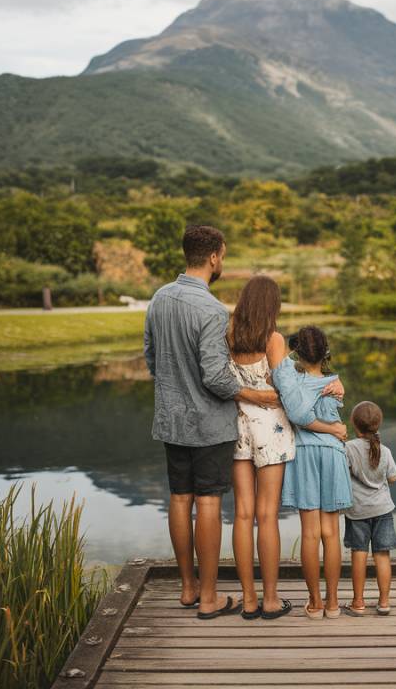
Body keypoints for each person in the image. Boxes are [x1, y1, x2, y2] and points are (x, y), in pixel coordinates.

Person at [143, 225, 280, 620]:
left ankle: (187, 589)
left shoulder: (158, 299)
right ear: (215, 257)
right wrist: (260, 396)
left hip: (171, 420)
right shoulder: (210, 309)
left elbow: (152, 358)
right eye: (224, 254)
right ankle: (208, 598)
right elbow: (218, 378)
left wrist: (172, 388)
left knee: (179, 498)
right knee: (207, 501)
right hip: (207, 424)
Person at [228, 277, 344, 620]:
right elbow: (288, 394)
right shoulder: (273, 339)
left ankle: (248, 599)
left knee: (242, 514)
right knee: (266, 515)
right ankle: (271, 600)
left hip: (237, 427)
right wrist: (325, 385)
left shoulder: (229, 336)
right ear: (272, 306)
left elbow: (227, 381)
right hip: (272, 430)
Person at [268, 326, 352, 619]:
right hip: (332, 453)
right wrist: (334, 427)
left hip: (303, 454)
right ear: (326, 352)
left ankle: (315, 603)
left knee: (310, 534)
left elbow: (281, 365)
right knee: (331, 533)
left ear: (297, 352)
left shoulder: (290, 377)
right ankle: (332, 604)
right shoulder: (333, 383)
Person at [341, 400, 396, 616]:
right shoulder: (385, 450)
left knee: (359, 554)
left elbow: (342, 472)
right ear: (378, 424)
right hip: (383, 510)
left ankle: (358, 603)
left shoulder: (348, 448)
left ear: (354, 425)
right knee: (382, 555)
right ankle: (384, 602)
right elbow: (393, 478)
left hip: (357, 512)